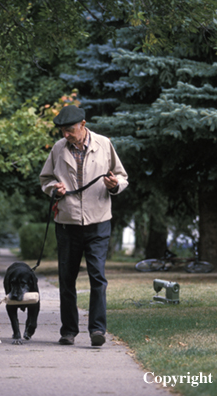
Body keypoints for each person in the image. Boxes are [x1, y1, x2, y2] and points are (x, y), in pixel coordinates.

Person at [40, 105, 128, 347]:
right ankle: (68, 331)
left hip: (98, 222)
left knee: (97, 277)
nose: (65, 135)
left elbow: (122, 176)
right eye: (62, 131)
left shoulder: (104, 144)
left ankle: (98, 330)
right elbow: (45, 179)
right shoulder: (58, 149)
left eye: (69, 130)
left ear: (83, 124)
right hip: (67, 223)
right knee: (66, 279)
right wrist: (53, 189)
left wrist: (114, 185)